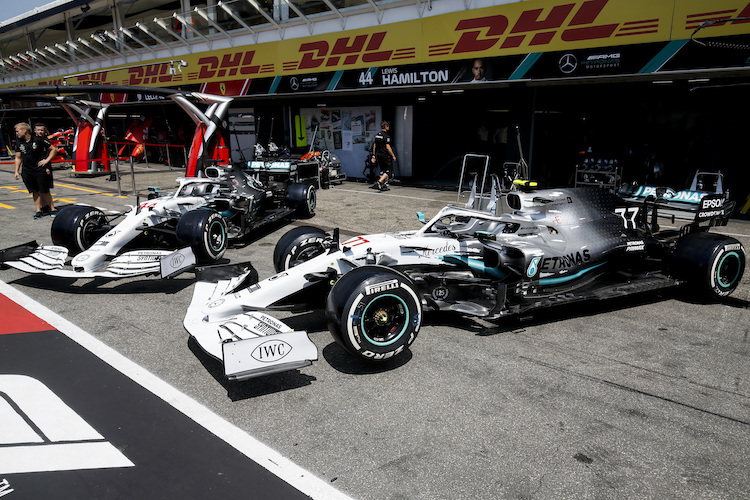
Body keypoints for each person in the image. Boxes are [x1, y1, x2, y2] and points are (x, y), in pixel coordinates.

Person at [14, 122, 57, 219]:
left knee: (45, 190)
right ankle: (38, 210)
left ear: (24, 131)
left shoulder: (38, 140)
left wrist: (46, 161)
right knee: (34, 191)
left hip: (39, 169)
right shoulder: (19, 142)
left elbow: (53, 149)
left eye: (18, 131)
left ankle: (52, 209)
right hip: (27, 170)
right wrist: (16, 171)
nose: (17, 133)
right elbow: (18, 157)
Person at [370, 120, 396, 191]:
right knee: (389, 171)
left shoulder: (377, 135)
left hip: (379, 155)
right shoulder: (386, 136)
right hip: (385, 155)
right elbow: (388, 147)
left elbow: (374, 146)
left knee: (383, 171)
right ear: (386, 127)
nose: (389, 128)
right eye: (388, 126)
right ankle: (379, 182)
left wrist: (374, 155)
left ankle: (383, 186)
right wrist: (393, 155)